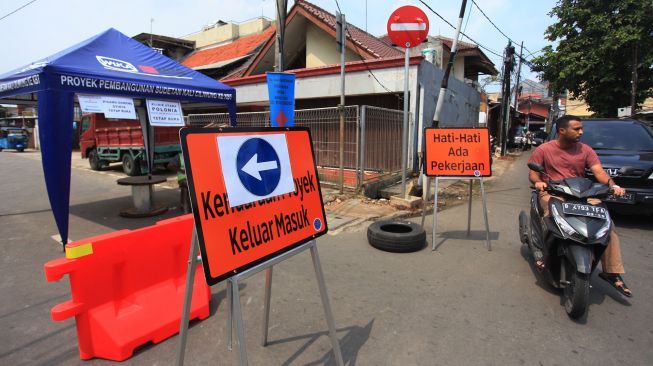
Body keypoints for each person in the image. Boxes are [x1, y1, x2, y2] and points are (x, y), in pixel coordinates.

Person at [527, 115, 632, 297]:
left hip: (582, 193)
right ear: (562, 131)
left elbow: (598, 171)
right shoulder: (544, 149)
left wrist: (613, 186)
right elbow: (533, 174)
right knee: (550, 217)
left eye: (581, 129)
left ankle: (612, 271)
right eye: (576, 129)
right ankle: (545, 254)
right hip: (553, 192)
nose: (581, 132)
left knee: (607, 225)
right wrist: (538, 183)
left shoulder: (585, 150)